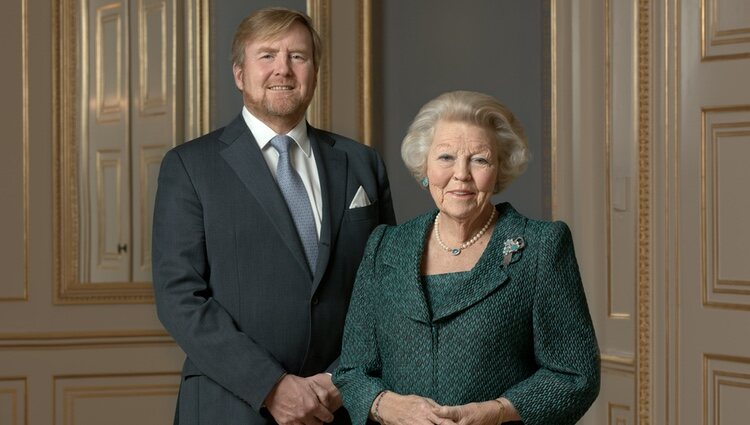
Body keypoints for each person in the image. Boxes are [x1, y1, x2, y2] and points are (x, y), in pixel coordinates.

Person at [152, 7, 396, 425]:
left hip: (340, 406)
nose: (283, 69)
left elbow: (389, 287)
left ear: (314, 72)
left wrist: (340, 380)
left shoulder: (361, 164)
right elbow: (180, 298)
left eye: (297, 57)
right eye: (266, 56)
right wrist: (271, 386)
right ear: (239, 74)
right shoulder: (190, 167)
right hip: (229, 406)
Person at [332, 91, 599, 425]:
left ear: (499, 169)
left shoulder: (541, 247)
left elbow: (575, 376)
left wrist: (496, 411)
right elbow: (352, 371)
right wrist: (385, 405)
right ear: (424, 165)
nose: (461, 174)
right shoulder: (386, 246)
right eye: (445, 157)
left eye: (480, 160)